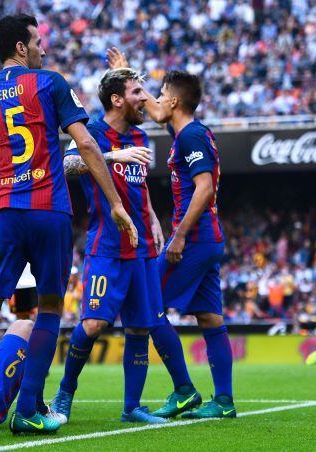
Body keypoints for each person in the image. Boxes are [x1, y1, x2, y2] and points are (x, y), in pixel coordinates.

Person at [0, 14, 137, 440]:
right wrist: (114, 204)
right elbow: (86, 142)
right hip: (48, 208)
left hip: (2, 211)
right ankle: (29, 410)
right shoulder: (50, 82)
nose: (43, 48)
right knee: (49, 306)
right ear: (20, 47)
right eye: (37, 41)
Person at [49, 67, 198, 424]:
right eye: (136, 93)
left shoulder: (140, 136)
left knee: (139, 327)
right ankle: (64, 393)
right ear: (117, 99)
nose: (143, 100)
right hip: (106, 248)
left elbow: (139, 187)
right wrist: (114, 156)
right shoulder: (92, 133)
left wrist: (153, 218)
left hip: (142, 248)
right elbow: (67, 165)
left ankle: (132, 408)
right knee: (94, 324)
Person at [107, 48, 233, 419]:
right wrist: (126, 74)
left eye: (159, 95)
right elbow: (159, 112)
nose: (152, 103)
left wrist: (178, 236)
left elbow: (205, 188)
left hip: (194, 238)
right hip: (210, 237)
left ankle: (183, 389)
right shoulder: (190, 131)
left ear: (174, 100)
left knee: (149, 304)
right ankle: (223, 401)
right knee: (210, 317)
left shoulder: (191, 135)